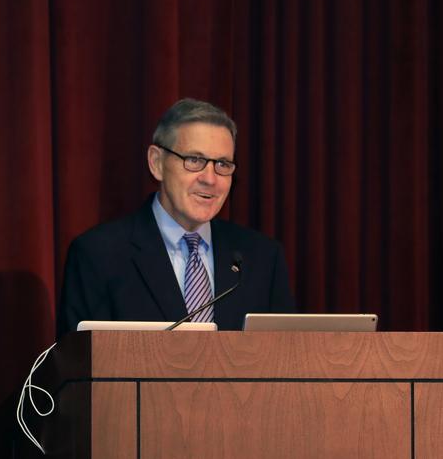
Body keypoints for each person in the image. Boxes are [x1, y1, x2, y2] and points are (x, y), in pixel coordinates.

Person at [57, 98, 296, 336]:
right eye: (195, 160)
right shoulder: (98, 255)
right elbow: (77, 366)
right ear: (157, 163)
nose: (210, 179)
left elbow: (285, 360)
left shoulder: (262, 258)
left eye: (222, 164)